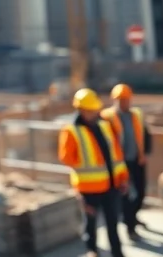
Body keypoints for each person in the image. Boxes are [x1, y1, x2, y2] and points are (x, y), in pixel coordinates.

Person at [58, 88, 128, 257]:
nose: (94, 112)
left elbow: (117, 155)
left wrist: (123, 178)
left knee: (113, 223)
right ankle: (92, 250)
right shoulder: (71, 131)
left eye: (95, 109)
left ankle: (117, 253)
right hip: (89, 188)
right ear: (81, 110)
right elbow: (66, 159)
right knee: (90, 222)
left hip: (111, 185)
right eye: (90, 110)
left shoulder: (104, 126)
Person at [100, 83, 151, 237]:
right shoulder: (107, 117)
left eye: (126, 99)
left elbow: (146, 135)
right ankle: (130, 227)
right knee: (126, 195)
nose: (124, 102)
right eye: (121, 99)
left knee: (141, 192)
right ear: (114, 100)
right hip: (120, 164)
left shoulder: (137, 114)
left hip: (137, 159)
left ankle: (132, 217)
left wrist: (144, 153)